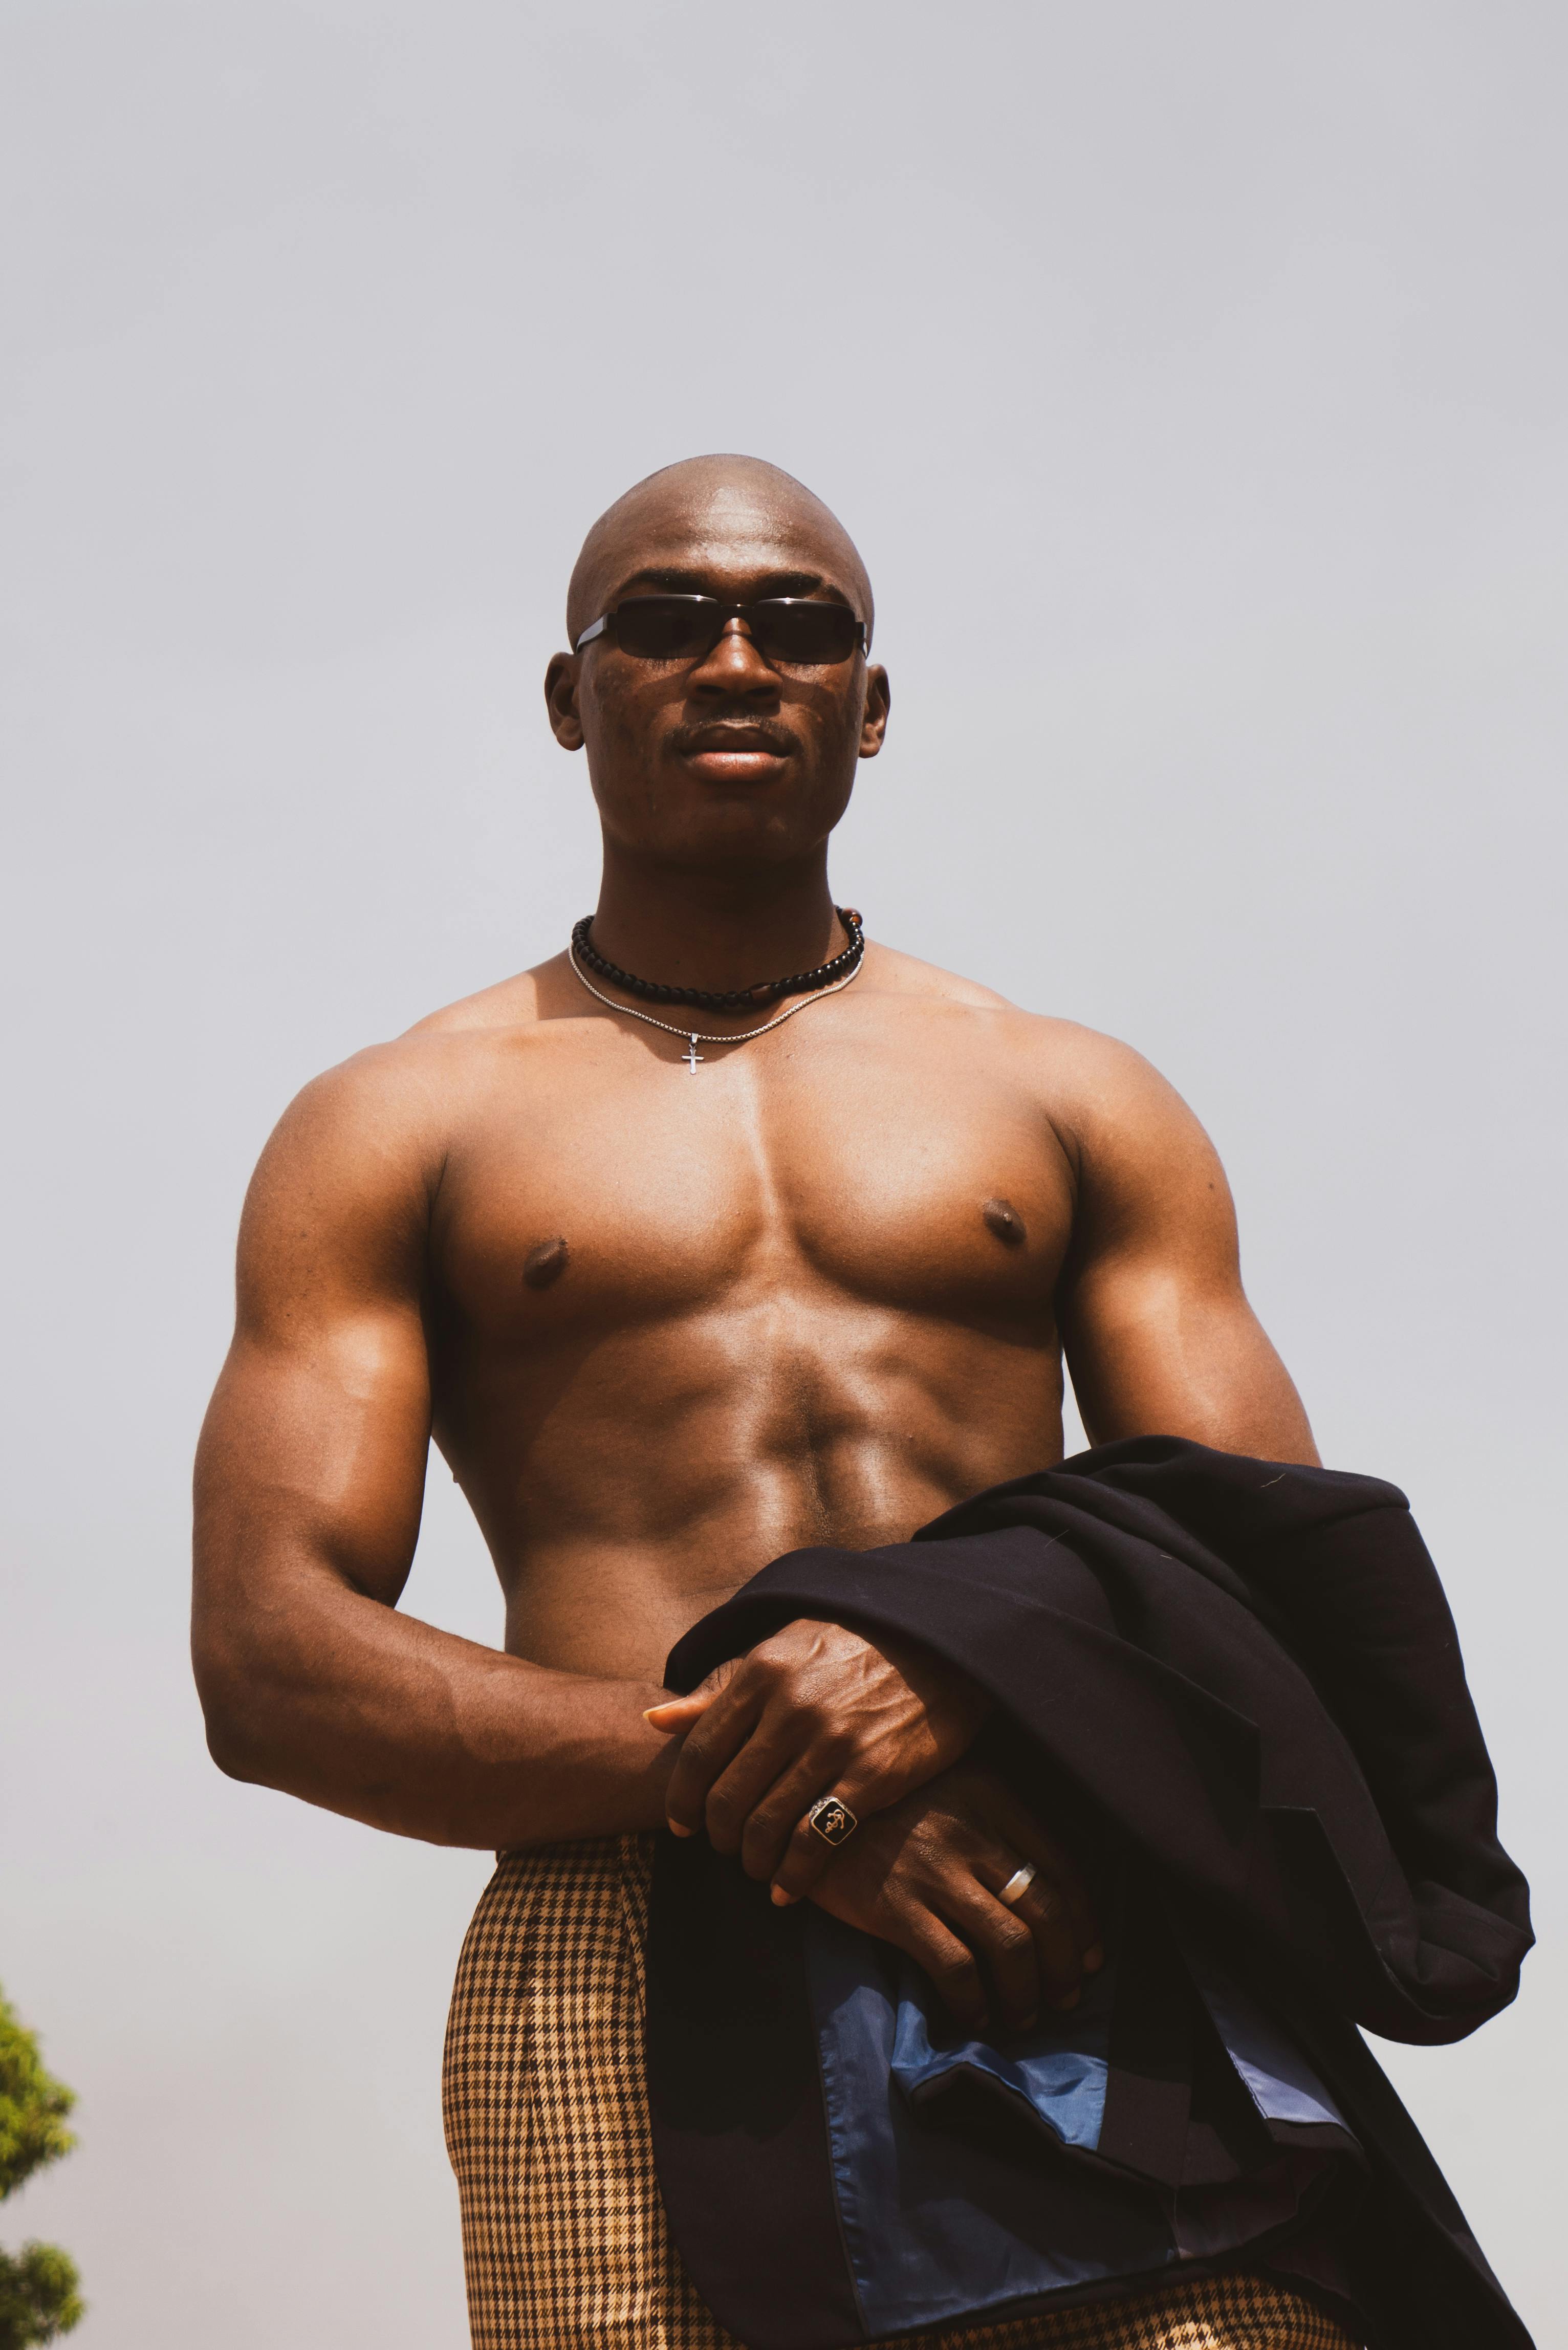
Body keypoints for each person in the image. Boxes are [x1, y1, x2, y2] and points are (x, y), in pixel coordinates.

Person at [192, 454, 1363, 2350]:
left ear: (869, 706)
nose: (733, 658)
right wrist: (755, 1783)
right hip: (615, 1935)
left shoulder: (1068, 1096)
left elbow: (1274, 1558)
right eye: (663, 617)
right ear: (573, 698)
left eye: (795, 623)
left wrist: (962, 1673)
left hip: (1053, 1898)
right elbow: (269, 1658)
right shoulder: (395, 1125)